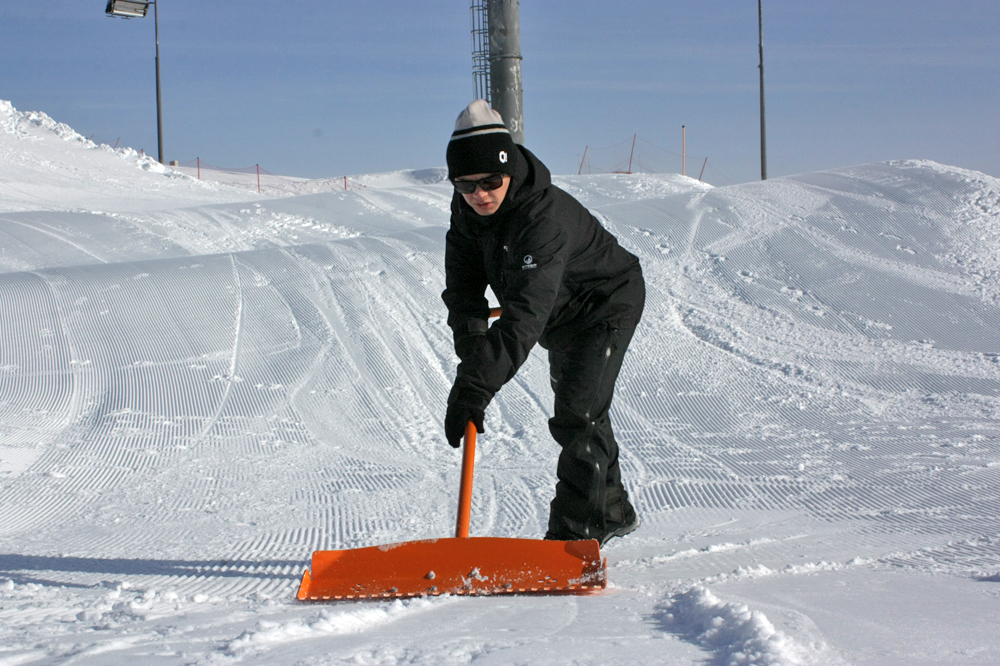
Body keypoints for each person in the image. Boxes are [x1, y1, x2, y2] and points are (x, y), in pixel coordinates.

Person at [441, 100, 645, 546]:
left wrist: (475, 387)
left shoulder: (541, 218)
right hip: (558, 311)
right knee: (583, 407)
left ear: (509, 169)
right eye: (466, 184)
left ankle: (575, 536)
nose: (480, 195)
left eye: (490, 181)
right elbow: (464, 294)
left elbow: (524, 317)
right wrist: (473, 354)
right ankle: (611, 510)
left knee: (578, 412)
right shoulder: (467, 215)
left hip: (604, 302)